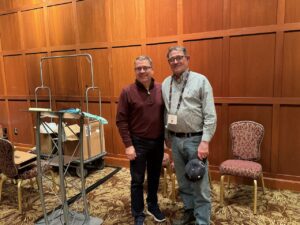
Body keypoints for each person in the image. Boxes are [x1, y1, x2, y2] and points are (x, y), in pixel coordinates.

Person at [162, 46, 217, 225]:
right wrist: (166, 136)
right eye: (172, 59)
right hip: (175, 140)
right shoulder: (165, 84)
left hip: (196, 140)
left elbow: (210, 115)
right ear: (169, 62)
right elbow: (166, 112)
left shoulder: (201, 81)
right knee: (184, 182)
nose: (175, 61)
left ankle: (203, 221)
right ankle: (189, 212)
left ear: (187, 59)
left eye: (179, 57)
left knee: (199, 184)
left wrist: (205, 141)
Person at [116, 55, 166, 225]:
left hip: (158, 142)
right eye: (138, 68)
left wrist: (167, 138)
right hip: (138, 143)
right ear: (135, 71)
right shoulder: (127, 91)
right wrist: (128, 145)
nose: (142, 71)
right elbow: (121, 121)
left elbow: (166, 115)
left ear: (152, 69)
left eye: (145, 67)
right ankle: (138, 213)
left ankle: (153, 205)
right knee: (137, 180)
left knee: (154, 177)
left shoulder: (162, 89)